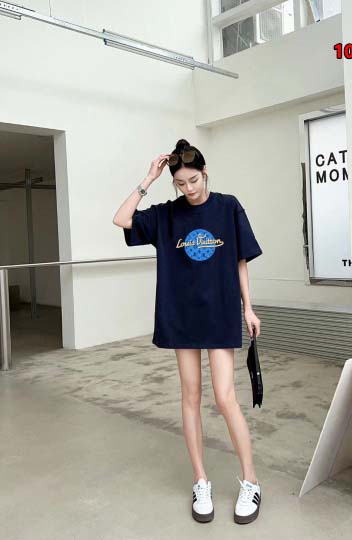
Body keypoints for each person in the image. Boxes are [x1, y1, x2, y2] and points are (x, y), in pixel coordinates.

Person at [113, 139, 263, 524]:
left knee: (225, 398)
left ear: (205, 173)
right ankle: (201, 480)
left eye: (194, 181)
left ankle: (251, 481)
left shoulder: (228, 207)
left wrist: (248, 307)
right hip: (182, 314)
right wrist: (148, 179)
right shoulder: (167, 215)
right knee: (190, 397)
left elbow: (240, 260)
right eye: (180, 183)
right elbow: (122, 219)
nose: (189, 189)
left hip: (220, 311)